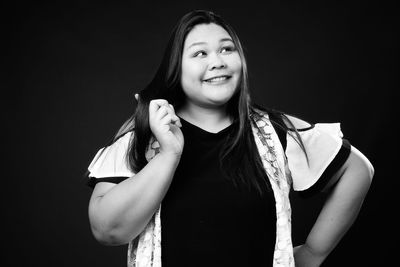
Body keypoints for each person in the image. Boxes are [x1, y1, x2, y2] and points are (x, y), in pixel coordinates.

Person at [85, 10, 374, 267]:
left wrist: (313, 252)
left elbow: (357, 170)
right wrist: (169, 155)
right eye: (200, 53)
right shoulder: (145, 134)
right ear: (176, 68)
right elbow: (108, 230)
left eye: (227, 49)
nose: (218, 62)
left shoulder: (275, 132)